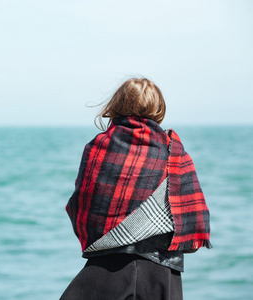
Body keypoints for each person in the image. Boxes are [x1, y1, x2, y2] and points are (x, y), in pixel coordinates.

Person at [60, 78, 211, 300]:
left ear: (117, 104)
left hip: (104, 271)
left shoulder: (97, 147)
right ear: (159, 109)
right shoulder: (174, 155)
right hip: (162, 277)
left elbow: (79, 208)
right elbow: (192, 224)